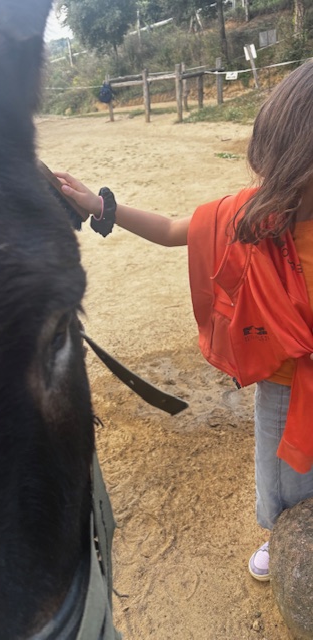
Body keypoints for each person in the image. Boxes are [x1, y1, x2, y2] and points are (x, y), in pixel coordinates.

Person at [54, 60, 313, 583]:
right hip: (284, 385)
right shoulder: (253, 216)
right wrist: (100, 205)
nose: (273, 185)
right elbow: (175, 230)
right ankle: (285, 540)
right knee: (284, 480)